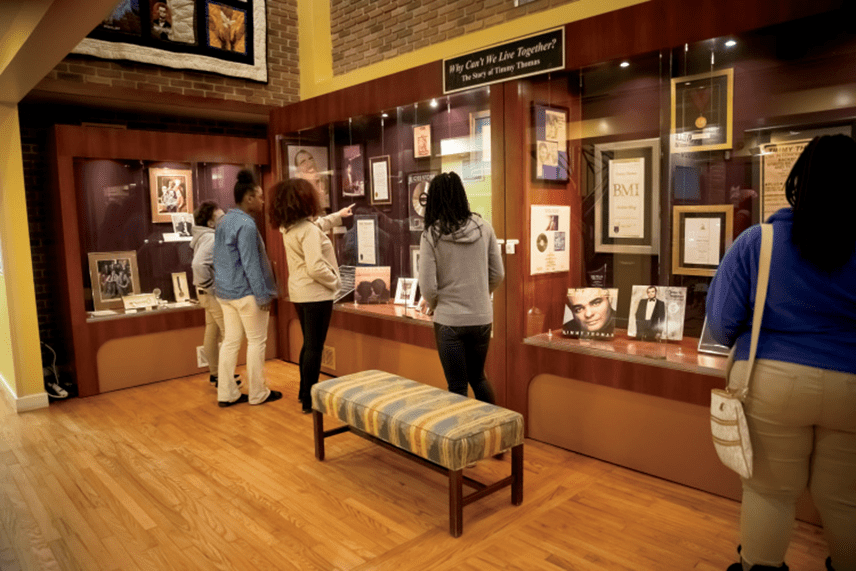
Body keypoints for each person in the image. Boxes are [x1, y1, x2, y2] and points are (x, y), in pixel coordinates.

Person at [706, 135, 856, 571]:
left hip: (774, 381)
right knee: (845, 499)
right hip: (851, 384)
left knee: (769, 492)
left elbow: (720, 322)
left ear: (798, 181)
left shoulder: (759, 242)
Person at [418, 172, 504, 404]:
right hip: (482, 317)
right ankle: (494, 424)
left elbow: (427, 287)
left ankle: (461, 429)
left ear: (433, 199)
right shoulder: (484, 228)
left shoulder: (430, 235)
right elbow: (498, 274)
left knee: (457, 385)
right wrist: (480, 295)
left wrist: (437, 305)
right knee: (478, 377)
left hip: (449, 320)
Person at [269, 178, 353, 414]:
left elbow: (318, 225)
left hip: (300, 292)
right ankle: (309, 399)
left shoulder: (291, 228)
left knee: (309, 345)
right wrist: (336, 281)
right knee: (315, 347)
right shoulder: (307, 230)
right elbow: (316, 266)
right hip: (317, 294)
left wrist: (337, 216)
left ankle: (304, 392)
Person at [213, 170, 281, 407]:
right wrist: (262, 295)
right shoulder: (247, 225)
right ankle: (258, 393)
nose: (263, 201)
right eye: (260, 197)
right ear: (249, 198)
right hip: (246, 293)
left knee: (230, 342)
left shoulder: (223, 221)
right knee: (256, 342)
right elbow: (251, 263)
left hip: (225, 293)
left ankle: (226, 393)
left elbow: (218, 258)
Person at [191, 201, 242, 390]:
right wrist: (212, 287)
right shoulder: (212, 238)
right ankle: (225, 379)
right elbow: (198, 265)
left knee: (212, 333)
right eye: (221, 217)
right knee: (230, 334)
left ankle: (217, 374)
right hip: (211, 294)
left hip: (205, 293)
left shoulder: (204, 237)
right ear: (210, 223)